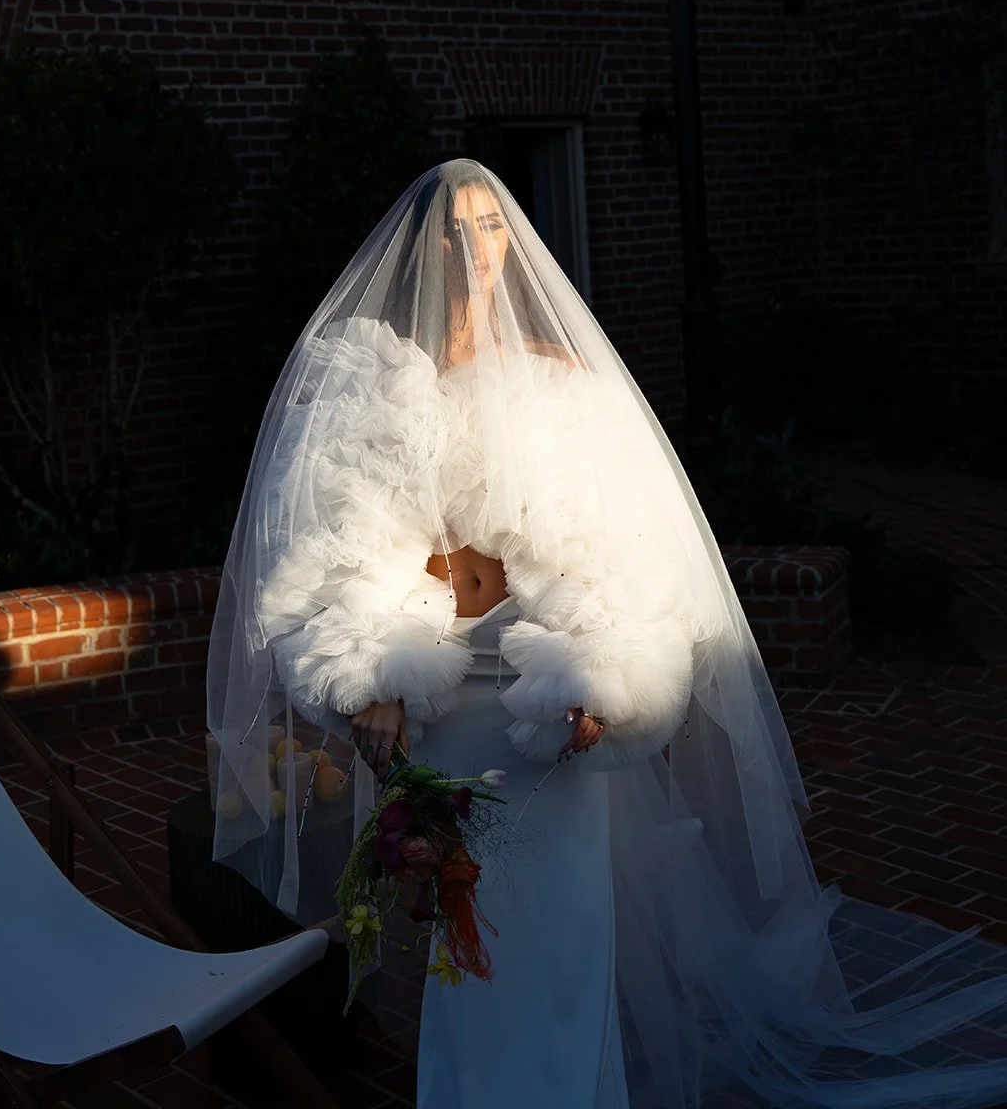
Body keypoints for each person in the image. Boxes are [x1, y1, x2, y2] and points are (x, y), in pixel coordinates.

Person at [208, 159, 1007, 1109]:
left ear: (513, 241)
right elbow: (337, 547)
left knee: (560, 926)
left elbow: (617, 549)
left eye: (490, 227)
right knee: (470, 933)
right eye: (455, 232)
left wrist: (601, 674)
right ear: (426, 248)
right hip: (441, 698)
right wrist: (372, 670)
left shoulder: (560, 385)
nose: (475, 248)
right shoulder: (374, 381)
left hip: (536, 702)